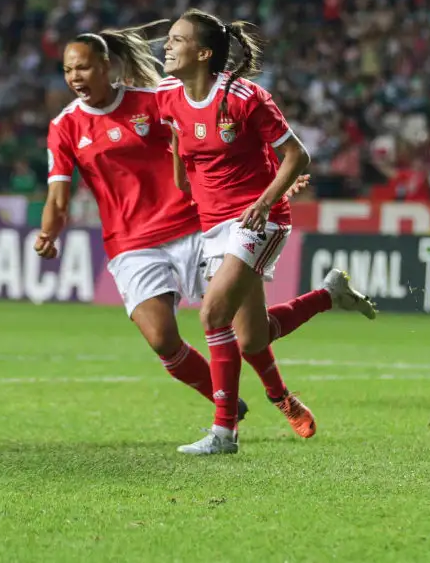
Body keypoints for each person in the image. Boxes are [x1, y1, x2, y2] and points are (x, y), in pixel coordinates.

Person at [35, 28, 376, 442]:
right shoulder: (65, 125)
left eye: (84, 66)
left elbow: (218, 143)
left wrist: (273, 184)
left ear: (108, 66)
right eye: (68, 69)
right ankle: (227, 405)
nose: (75, 76)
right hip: (130, 243)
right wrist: (48, 233)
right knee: (163, 339)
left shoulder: (155, 100)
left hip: (196, 224)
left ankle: (274, 390)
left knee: (252, 335)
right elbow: (58, 195)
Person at [156, 9, 334, 455]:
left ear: (203, 52)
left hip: (260, 219)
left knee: (212, 314)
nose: (167, 46)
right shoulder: (169, 100)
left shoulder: (245, 97)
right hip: (215, 225)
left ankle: (224, 432)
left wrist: (267, 197)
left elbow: (298, 156)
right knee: (253, 337)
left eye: (177, 40)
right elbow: (183, 177)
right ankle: (330, 297)